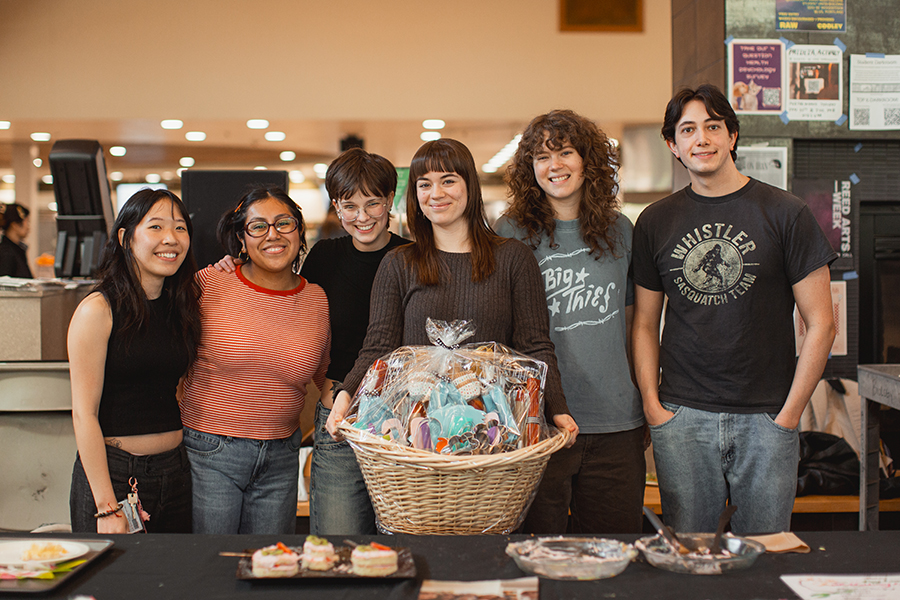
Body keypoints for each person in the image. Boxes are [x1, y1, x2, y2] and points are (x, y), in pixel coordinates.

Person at [631, 84, 836, 534]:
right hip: (682, 417)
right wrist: (652, 404)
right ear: (673, 145)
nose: (701, 139)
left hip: (767, 417)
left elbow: (821, 323)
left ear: (732, 136)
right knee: (689, 558)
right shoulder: (655, 221)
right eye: (688, 130)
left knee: (765, 559)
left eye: (713, 126)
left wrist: (789, 414)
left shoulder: (786, 212)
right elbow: (644, 323)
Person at [326, 138, 579, 450]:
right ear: (414, 194)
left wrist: (558, 410)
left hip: (494, 434)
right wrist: (345, 398)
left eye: (448, 181)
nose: (436, 194)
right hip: (415, 436)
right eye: (425, 184)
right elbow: (379, 348)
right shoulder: (398, 263)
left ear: (469, 186)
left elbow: (535, 347)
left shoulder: (513, 258)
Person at [214, 149, 411, 534]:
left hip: (401, 418)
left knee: (401, 540)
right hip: (337, 418)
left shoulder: (412, 257)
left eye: (373, 203)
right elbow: (291, 302)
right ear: (336, 206)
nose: (363, 216)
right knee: (337, 540)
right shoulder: (325, 256)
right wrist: (234, 263)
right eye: (349, 205)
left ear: (390, 200)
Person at [495, 109, 645, 534]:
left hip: (615, 421)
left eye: (564, 152)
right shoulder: (510, 232)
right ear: (530, 169)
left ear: (588, 162)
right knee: (535, 554)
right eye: (542, 157)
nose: (554, 165)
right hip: (536, 423)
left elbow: (636, 326)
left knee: (612, 552)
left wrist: (646, 401)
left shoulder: (621, 232)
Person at [180, 184, 330, 535]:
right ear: (241, 239)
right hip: (210, 450)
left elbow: (325, 377)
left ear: (299, 231)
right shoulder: (211, 283)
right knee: (211, 568)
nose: (273, 235)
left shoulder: (316, 299)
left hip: (281, 457)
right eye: (258, 226)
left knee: (268, 570)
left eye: (284, 223)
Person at [68, 189, 200, 533]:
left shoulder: (180, 306)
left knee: (173, 584)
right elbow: (84, 414)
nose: (170, 239)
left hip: (176, 472)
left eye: (180, 228)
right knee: (112, 585)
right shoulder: (98, 309)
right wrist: (105, 507)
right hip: (115, 475)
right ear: (126, 238)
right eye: (155, 227)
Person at [0, 202, 34, 278]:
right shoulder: (6, 253)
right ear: (15, 225)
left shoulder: (17, 249)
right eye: (27, 223)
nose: (28, 227)